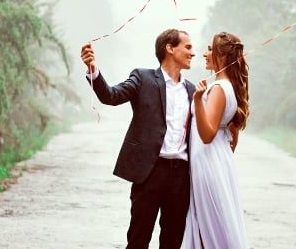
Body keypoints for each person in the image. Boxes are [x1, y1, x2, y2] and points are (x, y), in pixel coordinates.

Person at [79, 28, 196, 249]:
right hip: (149, 173)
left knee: (173, 241)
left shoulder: (193, 90)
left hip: (181, 176)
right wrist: (92, 70)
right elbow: (111, 96)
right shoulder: (143, 78)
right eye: (188, 47)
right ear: (170, 48)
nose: (193, 53)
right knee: (138, 239)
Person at [183, 31, 250, 249]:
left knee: (207, 224)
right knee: (214, 222)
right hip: (217, 161)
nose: (204, 53)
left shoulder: (219, 89)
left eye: (210, 49)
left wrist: (198, 100)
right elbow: (232, 139)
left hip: (207, 162)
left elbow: (207, 134)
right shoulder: (229, 87)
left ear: (222, 55)